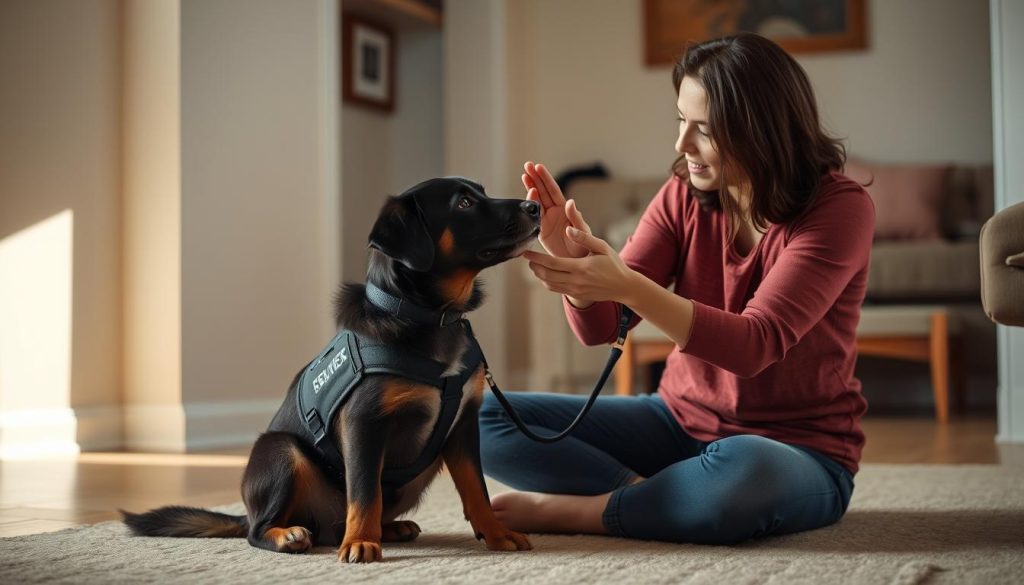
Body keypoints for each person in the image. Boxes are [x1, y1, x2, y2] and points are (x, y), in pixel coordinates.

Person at [477, 33, 874, 545]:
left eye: (704, 130)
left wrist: (629, 285)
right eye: (681, 121)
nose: (682, 145)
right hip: (675, 421)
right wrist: (574, 266)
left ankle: (589, 512)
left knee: (742, 468)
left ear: (762, 131)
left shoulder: (839, 208)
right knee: (482, 415)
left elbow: (756, 344)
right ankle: (650, 498)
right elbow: (603, 327)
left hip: (797, 449)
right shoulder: (682, 195)